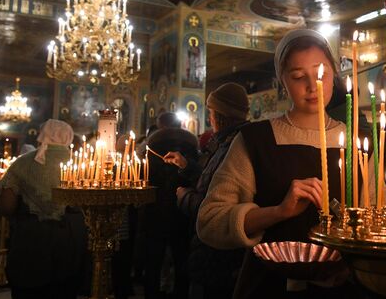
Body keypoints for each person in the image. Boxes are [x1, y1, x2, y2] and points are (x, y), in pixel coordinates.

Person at [197, 29, 348, 298]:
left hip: (347, 285)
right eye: (298, 76)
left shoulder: (357, 140)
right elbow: (210, 222)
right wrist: (278, 212)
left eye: (321, 72)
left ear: (334, 73)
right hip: (269, 286)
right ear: (282, 81)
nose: (312, 86)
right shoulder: (256, 140)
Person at [163, 82, 250, 299]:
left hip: (220, 252)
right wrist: (186, 165)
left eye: (211, 112)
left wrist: (185, 197)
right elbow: (212, 180)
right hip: (221, 253)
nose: (209, 118)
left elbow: (215, 207)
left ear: (220, 115)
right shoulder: (227, 142)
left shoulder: (232, 146)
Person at [0, 120, 87, 299]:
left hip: (32, 240)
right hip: (71, 241)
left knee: (29, 292)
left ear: (42, 135)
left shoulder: (23, 163)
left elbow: (6, 205)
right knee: (65, 291)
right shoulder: (82, 165)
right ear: (68, 137)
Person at [142, 112, 201, 299]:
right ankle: (180, 293)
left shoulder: (152, 143)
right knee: (181, 257)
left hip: (154, 206)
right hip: (182, 207)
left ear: (161, 125)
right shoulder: (191, 143)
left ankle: (151, 293)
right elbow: (197, 173)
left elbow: (144, 174)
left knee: (153, 258)